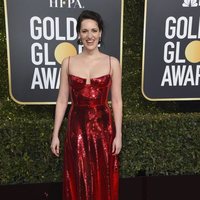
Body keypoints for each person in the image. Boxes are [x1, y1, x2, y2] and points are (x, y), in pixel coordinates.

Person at [50, 10, 122, 200]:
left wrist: (119, 134)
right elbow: (62, 99)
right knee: (78, 176)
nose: (89, 36)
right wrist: (55, 134)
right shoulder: (68, 62)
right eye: (84, 31)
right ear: (78, 34)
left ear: (100, 33)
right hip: (76, 129)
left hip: (104, 129)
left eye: (94, 30)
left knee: (103, 176)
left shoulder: (112, 63)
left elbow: (116, 100)